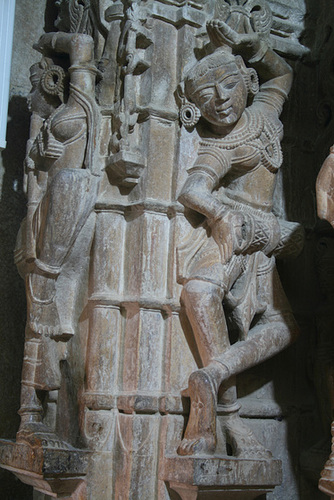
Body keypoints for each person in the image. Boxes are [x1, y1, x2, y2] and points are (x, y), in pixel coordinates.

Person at [177, 19, 303, 457]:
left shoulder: (266, 114)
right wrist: (219, 213)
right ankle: (224, 417)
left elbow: (283, 74)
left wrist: (256, 47)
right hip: (240, 234)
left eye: (229, 85)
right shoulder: (221, 145)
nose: (222, 100)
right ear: (194, 109)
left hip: (266, 241)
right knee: (200, 293)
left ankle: (211, 376)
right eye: (205, 98)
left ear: (247, 82)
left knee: (285, 328)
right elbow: (192, 190)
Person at [15, 32, 100, 445]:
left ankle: (44, 413)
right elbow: (36, 185)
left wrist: (48, 40)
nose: (30, 99)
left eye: (36, 87)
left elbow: (83, 44)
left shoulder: (76, 105)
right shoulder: (46, 123)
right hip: (46, 217)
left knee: (54, 315)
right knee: (41, 315)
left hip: (70, 207)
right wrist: (40, 161)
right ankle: (32, 414)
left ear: (51, 83)